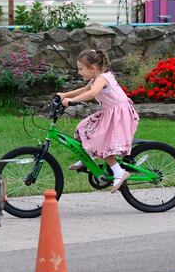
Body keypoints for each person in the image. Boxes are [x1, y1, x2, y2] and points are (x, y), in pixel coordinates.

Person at [57, 49, 140, 193]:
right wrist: (65, 95)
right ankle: (87, 158)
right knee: (84, 128)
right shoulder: (96, 78)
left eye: (81, 69)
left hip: (119, 115)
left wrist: (71, 101)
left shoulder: (102, 78)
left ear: (92, 68)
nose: (79, 72)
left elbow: (92, 93)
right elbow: (85, 89)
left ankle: (119, 172)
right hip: (111, 113)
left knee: (102, 143)